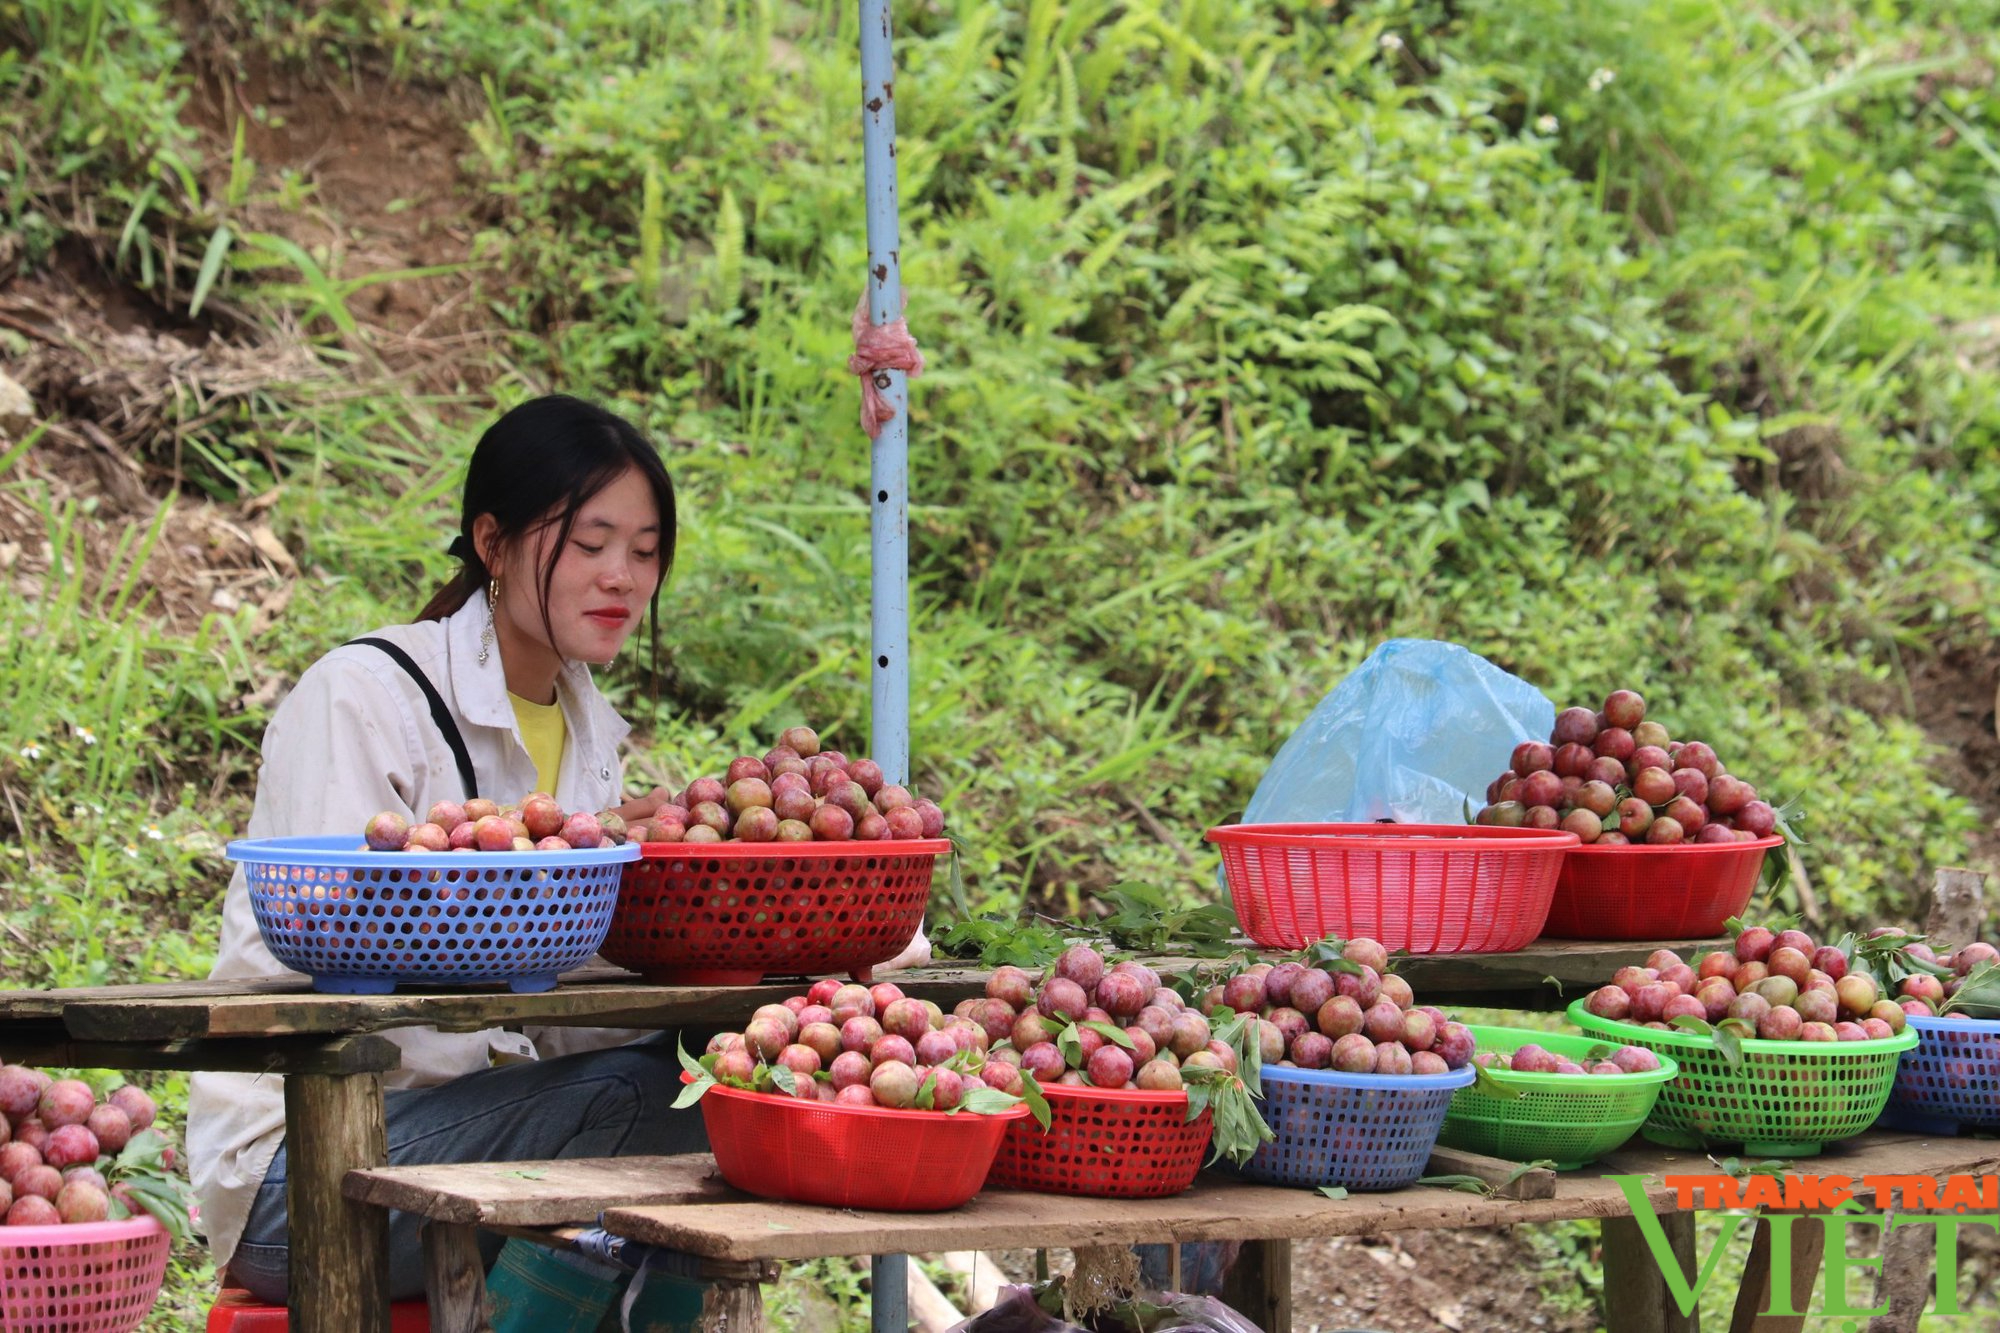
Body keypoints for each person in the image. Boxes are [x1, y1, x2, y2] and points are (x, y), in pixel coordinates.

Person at [189, 395, 715, 1331]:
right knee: (642, 1098)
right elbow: (327, 930)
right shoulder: (363, 695)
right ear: (493, 542)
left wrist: (695, 930)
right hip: (306, 1165)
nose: (622, 577)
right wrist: (552, 850)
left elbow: (557, 1005)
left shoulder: (588, 729)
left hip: (480, 1121)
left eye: (644, 549)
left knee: (715, 1086)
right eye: (590, 542)